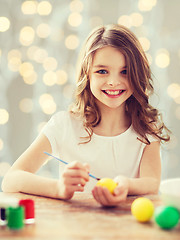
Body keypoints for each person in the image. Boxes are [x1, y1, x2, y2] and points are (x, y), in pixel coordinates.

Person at [2, 24, 170, 206]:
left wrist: (126, 185)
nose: (113, 82)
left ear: (138, 75)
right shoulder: (64, 125)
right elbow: (11, 180)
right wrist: (59, 188)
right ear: (87, 75)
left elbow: (152, 183)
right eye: (102, 71)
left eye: (125, 71)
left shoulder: (146, 128)